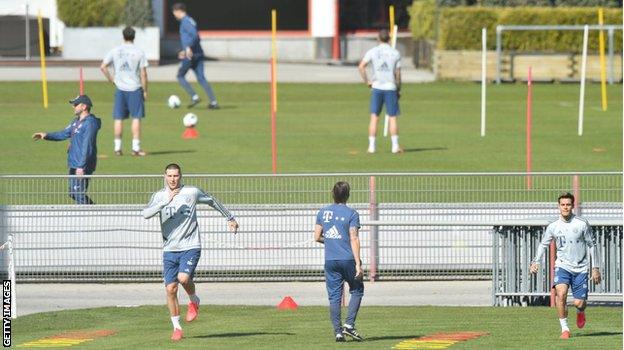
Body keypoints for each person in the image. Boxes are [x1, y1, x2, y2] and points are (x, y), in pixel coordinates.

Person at [142, 163, 238, 342]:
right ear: (164, 176)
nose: (173, 179)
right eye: (169, 176)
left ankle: (193, 300)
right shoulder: (159, 196)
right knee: (171, 289)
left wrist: (230, 217)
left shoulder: (191, 192)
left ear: (181, 176)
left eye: (176, 176)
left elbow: (212, 201)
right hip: (170, 249)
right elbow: (145, 214)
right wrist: (165, 201)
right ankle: (177, 328)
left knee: (183, 278)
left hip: (191, 245)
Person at [530, 192, 601, 339]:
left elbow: (592, 245)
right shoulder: (553, 226)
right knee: (560, 294)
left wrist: (595, 268)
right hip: (562, 266)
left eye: (568, 204)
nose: (565, 207)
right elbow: (543, 244)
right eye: (562, 205)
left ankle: (581, 312)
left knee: (578, 303)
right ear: (558, 206)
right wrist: (536, 262)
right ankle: (565, 329)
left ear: (572, 206)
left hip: (581, 267)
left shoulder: (582, 223)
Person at [314, 181, 364, 342]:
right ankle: (349, 325)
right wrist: (358, 263)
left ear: (332, 194)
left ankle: (338, 332)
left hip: (330, 260)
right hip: (348, 259)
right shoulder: (352, 214)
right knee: (357, 290)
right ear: (348, 195)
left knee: (334, 296)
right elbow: (354, 238)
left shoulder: (323, 212)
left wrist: (331, 241)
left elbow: (317, 237)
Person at [32, 95, 101, 204]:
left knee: (78, 193)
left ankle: (94, 214)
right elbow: (63, 134)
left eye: (75, 104)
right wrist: (46, 135)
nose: (73, 107)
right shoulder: (76, 121)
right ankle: (93, 211)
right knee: (73, 193)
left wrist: (81, 166)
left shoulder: (90, 124)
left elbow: (87, 146)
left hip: (82, 165)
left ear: (84, 107)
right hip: (74, 163)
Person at [100, 26, 148, 156]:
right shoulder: (139, 52)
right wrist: (145, 90)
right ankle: (136, 149)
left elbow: (103, 67)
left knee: (118, 118)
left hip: (120, 88)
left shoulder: (115, 51)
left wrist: (111, 79)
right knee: (136, 118)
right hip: (135, 88)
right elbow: (143, 73)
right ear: (134, 37)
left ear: (123, 36)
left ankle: (117, 149)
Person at [358, 28, 402, 154]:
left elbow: (361, 66)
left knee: (374, 117)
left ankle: (371, 147)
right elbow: (398, 74)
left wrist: (367, 82)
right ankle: (395, 146)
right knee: (392, 117)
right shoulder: (395, 53)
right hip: (390, 87)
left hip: (376, 87)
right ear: (389, 39)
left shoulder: (372, 51)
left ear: (378, 39)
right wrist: (398, 89)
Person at [171, 3, 220, 109]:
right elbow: (192, 37)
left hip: (191, 55)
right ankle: (214, 102)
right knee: (201, 78)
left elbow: (195, 35)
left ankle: (194, 96)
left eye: (174, 13)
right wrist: (184, 50)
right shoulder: (190, 20)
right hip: (198, 53)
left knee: (180, 76)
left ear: (178, 11)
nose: (174, 15)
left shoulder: (185, 22)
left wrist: (188, 48)